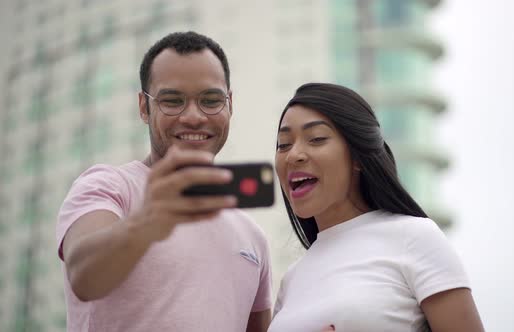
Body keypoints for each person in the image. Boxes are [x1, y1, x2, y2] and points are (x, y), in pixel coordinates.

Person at [56, 31, 272, 332]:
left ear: (230, 104)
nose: (194, 116)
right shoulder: (107, 187)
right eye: (173, 101)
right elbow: (83, 276)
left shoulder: (253, 238)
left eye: (211, 100)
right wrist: (149, 223)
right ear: (144, 107)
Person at [269, 83, 484, 332]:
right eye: (283, 144)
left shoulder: (415, 238)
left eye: (316, 139)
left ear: (358, 157)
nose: (293, 155)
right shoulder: (292, 281)